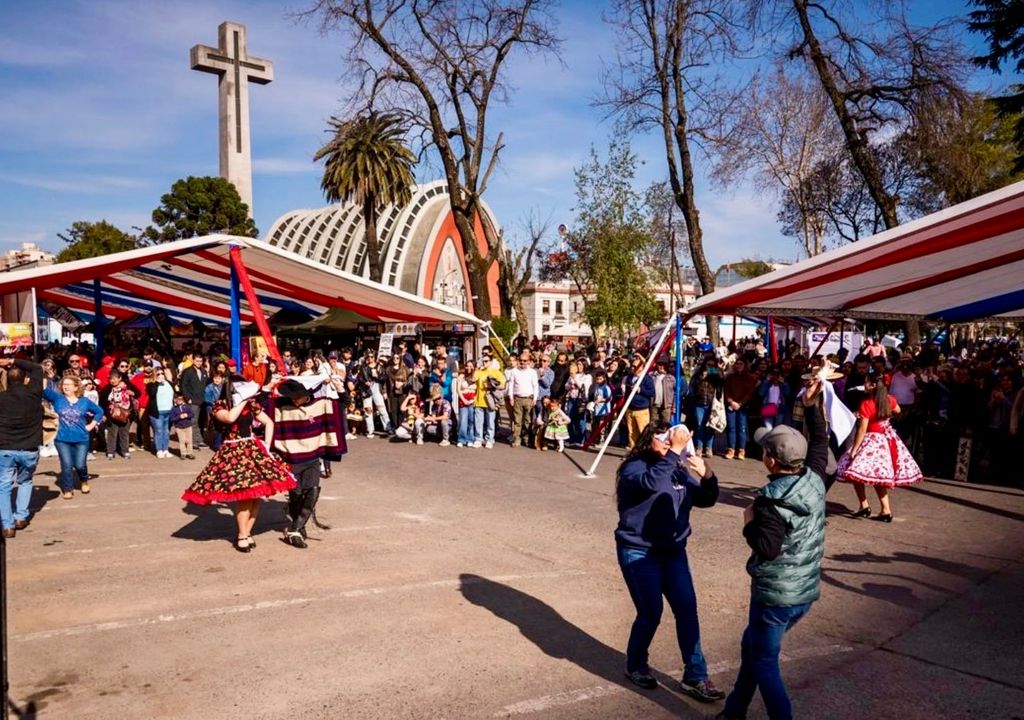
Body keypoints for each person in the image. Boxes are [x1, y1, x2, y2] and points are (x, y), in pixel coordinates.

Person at [717, 377, 829, 720]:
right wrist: (812, 406)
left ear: (770, 461)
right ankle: (735, 710)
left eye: (765, 450)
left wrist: (749, 520)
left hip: (775, 595)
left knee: (764, 662)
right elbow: (821, 442)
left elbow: (766, 548)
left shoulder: (770, 500)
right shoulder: (814, 477)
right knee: (751, 646)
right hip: (804, 591)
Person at [615, 423, 723, 701]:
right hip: (639, 550)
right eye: (661, 437)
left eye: (671, 437)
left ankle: (695, 676)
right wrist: (674, 451)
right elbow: (650, 482)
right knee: (651, 612)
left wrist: (707, 475)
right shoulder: (634, 468)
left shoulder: (676, 469)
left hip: (673, 551)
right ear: (646, 439)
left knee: (687, 609)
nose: (667, 441)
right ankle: (636, 664)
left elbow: (706, 499)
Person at [181, 377, 296, 552]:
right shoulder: (221, 405)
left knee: (257, 495)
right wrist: (243, 399)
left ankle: (247, 532)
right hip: (233, 452)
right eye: (240, 386)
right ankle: (242, 534)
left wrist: (266, 444)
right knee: (245, 495)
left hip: (252, 449)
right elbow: (229, 418)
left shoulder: (251, 403)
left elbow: (269, 422)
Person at [836, 371, 923, 522]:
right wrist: (885, 420)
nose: (864, 385)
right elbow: (898, 411)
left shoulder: (867, 404)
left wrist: (855, 449)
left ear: (874, 385)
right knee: (878, 478)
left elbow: (862, 430)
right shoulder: (889, 400)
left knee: (854, 470)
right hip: (886, 440)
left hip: (870, 441)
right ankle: (885, 510)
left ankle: (865, 505)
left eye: (867, 383)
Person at [273, 379, 346, 548]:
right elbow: (260, 404)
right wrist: (269, 386)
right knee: (296, 494)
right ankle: (299, 526)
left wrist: (339, 387)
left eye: (296, 397)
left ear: (305, 395)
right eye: (291, 396)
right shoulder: (281, 404)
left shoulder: (320, 404)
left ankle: (295, 529)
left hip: (312, 457)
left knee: (312, 490)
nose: (293, 400)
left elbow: (343, 403)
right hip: (291, 458)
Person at [0, 358, 47, 536]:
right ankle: (21, 517)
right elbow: (37, 368)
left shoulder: (1, 398)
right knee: (25, 481)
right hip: (29, 447)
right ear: (25, 380)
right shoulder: (34, 394)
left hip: (5, 447)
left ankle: (7, 525)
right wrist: (12, 360)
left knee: (3, 486)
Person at [44, 374, 105, 500]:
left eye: (68, 384)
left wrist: (92, 425)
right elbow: (43, 391)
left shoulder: (85, 402)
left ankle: (84, 480)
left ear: (76, 387)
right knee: (66, 464)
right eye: (64, 384)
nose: (65, 387)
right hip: (62, 439)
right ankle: (68, 489)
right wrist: (44, 376)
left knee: (80, 465)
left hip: (81, 439)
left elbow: (99, 411)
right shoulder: (58, 398)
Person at [724, 358, 757, 460]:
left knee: (741, 429)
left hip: (743, 406)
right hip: (731, 405)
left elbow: (750, 392)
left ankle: (741, 450)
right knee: (731, 428)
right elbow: (726, 390)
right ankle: (731, 449)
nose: (739, 366)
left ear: (745, 365)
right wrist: (731, 401)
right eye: (737, 364)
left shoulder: (750, 378)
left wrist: (741, 403)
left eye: (741, 364)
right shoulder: (730, 377)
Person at [100, 371, 136, 460]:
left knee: (124, 433)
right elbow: (102, 402)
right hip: (112, 414)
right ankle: (110, 452)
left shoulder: (127, 386)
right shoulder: (107, 389)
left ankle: (125, 451)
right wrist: (104, 414)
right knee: (112, 434)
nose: (112, 381)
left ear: (120, 378)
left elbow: (138, 393)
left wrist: (131, 393)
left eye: (115, 378)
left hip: (125, 413)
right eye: (111, 379)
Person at [506, 353, 539, 447]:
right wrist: (511, 397)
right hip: (517, 398)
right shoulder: (514, 371)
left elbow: (535, 386)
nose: (522, 362)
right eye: (521, 360)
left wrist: (535, 398)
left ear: (528, 361)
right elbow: (511, 385)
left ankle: (526, 438)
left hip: (528, 398)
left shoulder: (532, 372)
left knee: (527, 420)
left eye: (525, 361)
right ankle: (517, 439)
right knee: (517, 420)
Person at [623, 354, 656, 449]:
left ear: (641, 367)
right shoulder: (630, 377)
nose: (633, 368)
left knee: (643, 432)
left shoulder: (647, 378)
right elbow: (627, 393)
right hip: (630, 409)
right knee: (632, 433)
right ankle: (633, 451)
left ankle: (644, 451)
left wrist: (640, 389)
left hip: (641, 410)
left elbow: (651, 393)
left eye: (636, 366)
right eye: (633, 366)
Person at [179, 354, 209, 450]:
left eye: (200, 361)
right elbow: (183, 386)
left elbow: (206, 385)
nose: (199, 363)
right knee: (193, 421)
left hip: (202, 400)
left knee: (200, 422)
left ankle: (198, 440)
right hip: (192, 400)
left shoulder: (203, 371)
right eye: (197, 361)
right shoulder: (188, 371)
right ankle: (195, 441)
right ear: (193, 360)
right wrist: (188, 398)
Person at [474, 358, 505, 449]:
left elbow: (503, 385)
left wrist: (491, 385)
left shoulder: (495, 372)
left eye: (486, 361)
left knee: (490, 422)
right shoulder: (479, 371)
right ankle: (478, 439)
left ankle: (489, 439)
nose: (484, 363)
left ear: (491, 362)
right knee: (479, 422)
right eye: (483, 361)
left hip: (490, 401)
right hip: (479, 400)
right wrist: (477, 369)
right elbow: (473, 379)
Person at [147, 367, 175, 458]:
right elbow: (152, 393)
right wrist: (157, 383)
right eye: (158, 374)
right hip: (157, 412)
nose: (161, 375)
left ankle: (166, 449)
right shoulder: (151, 385)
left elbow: (174, 394)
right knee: (159, 430)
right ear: (154, 375)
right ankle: (159, 450)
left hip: (168, 411)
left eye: (162, 373)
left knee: (166, 431)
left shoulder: (169, 383)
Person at [169, 394, 196, 459]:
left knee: (189, 440)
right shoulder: (173, 409)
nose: (179, 401)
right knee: (182, 441)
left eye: (181, 399)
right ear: (174, 400)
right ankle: (183, 453)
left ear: (183, 399)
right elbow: (172, 419)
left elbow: (192, 414)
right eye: (177, 399)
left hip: (188, 426)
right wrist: (179, 417)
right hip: (179, 427)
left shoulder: (187, 406)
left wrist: (187, 415)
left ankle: (190, 453)